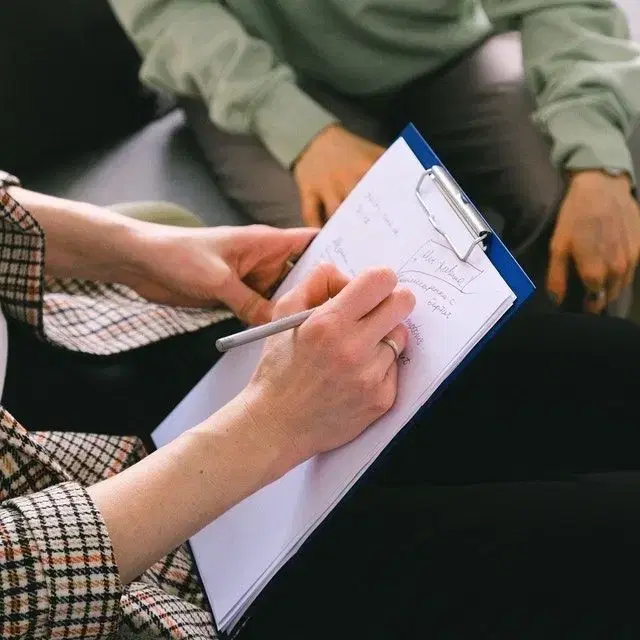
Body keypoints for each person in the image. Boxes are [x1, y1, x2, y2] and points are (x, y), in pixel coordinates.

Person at [2, 173, 640, 640]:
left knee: (587, 368)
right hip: (105, 571)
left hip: (101, 338)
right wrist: (268, 427)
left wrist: (135, 248)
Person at [107, 0, 640, 316]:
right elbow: (171, 14)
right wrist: (300, 130)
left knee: (569, 191)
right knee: (362, 270)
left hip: (441, 47)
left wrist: (597, 161)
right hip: (253, 72)